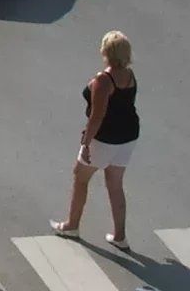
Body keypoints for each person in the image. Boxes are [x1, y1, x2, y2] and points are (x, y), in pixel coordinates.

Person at [52, 30, 139, 247]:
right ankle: (120, 236)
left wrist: (86, 142)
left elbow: (97, 115)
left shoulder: (104, 80)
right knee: (115, 184)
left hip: (105, 138)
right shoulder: (129, 75)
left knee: (80, 177)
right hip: (127, 137)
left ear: (106, 51)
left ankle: (71, 225)